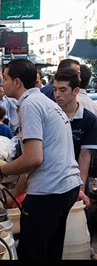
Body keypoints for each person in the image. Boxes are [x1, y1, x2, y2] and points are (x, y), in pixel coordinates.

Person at [0, 59, 82, 260]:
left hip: (51, 190)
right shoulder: (44, 101)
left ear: (17, 82)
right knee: (50, 252)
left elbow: (34, 157)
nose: (2, 83)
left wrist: (1, 171)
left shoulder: (30, 104)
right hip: (65, 187)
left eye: (4, 78)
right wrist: (17, 188)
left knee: (32, 253)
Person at [53, 67, 97, 209]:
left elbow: (85, 156)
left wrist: (80, 188)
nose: (57, 94)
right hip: (51, 179)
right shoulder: (49, 114)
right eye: (55, 89)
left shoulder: (89, 119)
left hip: (76, 179)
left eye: (63, 90)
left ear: (76, 91)